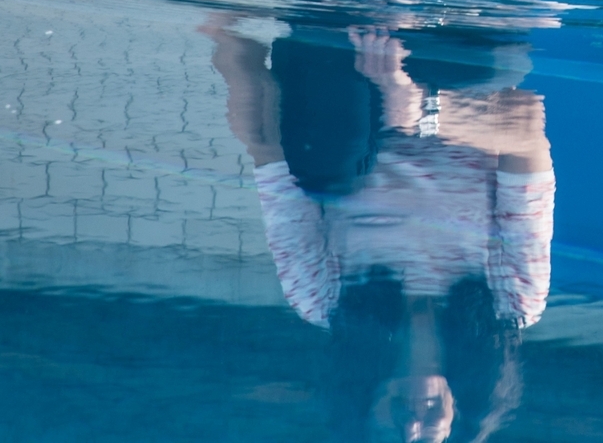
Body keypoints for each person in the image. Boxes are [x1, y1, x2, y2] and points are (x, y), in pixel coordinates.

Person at [208, 23, 553, 443]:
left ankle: (352, 5)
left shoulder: (322, 298)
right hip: (455, 60)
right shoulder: (512, 301)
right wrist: (417, 107)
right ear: (458, 423)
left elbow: (266, 142)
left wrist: (222, 25)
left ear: (363, 411)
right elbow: (525, 125)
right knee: (501, 65)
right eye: (427, 438)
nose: (411, 430)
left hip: (343, 67)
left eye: (390, 437)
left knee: (329, 169)